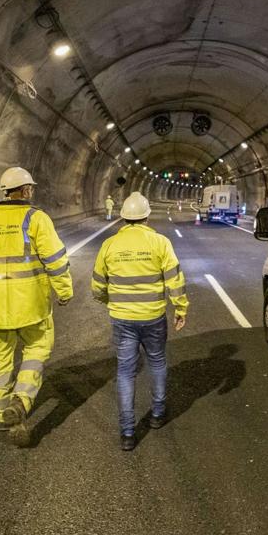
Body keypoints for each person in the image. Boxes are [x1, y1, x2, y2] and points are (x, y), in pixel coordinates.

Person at [0, 166, 72, 445]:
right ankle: (21, 401)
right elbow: (56, 260)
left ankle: (4, 418)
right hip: (32, 307)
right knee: (37, 349)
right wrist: (64, 291)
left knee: (0, 362)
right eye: (30, 188)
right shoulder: (35, 219)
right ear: (25, 191)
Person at [91, 192, 188, 450]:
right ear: (146, 217)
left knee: (125, 371)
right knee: (157, 361)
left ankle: (127, 432)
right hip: (153, 316)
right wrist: (180, 308)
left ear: (123, 218)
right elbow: (174, 279)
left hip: (122, 318)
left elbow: (98, 284)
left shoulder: (109, 245)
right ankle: (157, 414)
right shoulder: (160, 243)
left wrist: (106, 300)